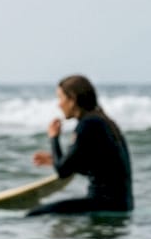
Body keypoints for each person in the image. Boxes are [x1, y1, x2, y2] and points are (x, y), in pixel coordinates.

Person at [28, 74, 133, 215]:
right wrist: (55, 160)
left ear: (72, 99)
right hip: (122, 204)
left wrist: (54, 137)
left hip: (103, 204)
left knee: (35, 214)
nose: (58, 104)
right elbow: (98, 168)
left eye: (60, 98)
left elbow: (63, 171)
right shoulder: (103, 121)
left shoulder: (87, 125)